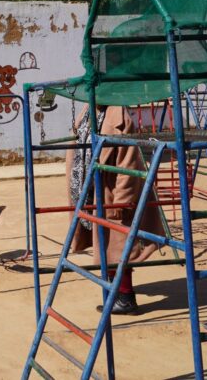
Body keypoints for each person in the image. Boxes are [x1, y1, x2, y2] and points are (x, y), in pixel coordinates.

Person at [66, 105, 164, 315]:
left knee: (116, 247)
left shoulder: (118, 114)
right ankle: (117, 292)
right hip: (90, 190)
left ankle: (125, 297)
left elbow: (128, 164)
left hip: (112, 191)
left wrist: (120, 202)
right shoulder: (87, 110)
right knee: (107, 245)